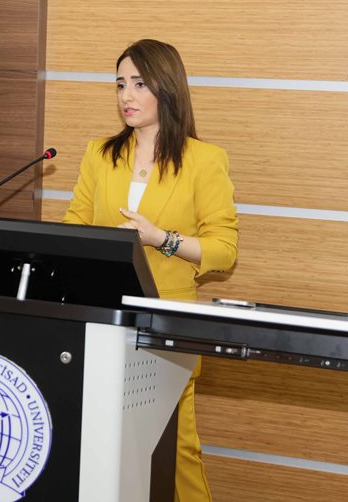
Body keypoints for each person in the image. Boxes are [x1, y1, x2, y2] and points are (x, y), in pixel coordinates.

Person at [62, 38, 239, 501]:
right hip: (103, 319)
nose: (127, 95)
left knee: (177, 450)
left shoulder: (204, 160)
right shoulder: (100, 154)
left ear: (167, 88)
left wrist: (162, 239)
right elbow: (73, 229)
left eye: (140, 84)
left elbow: (224, 250)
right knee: (102, 449)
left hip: (169, 325)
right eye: (120, 84)